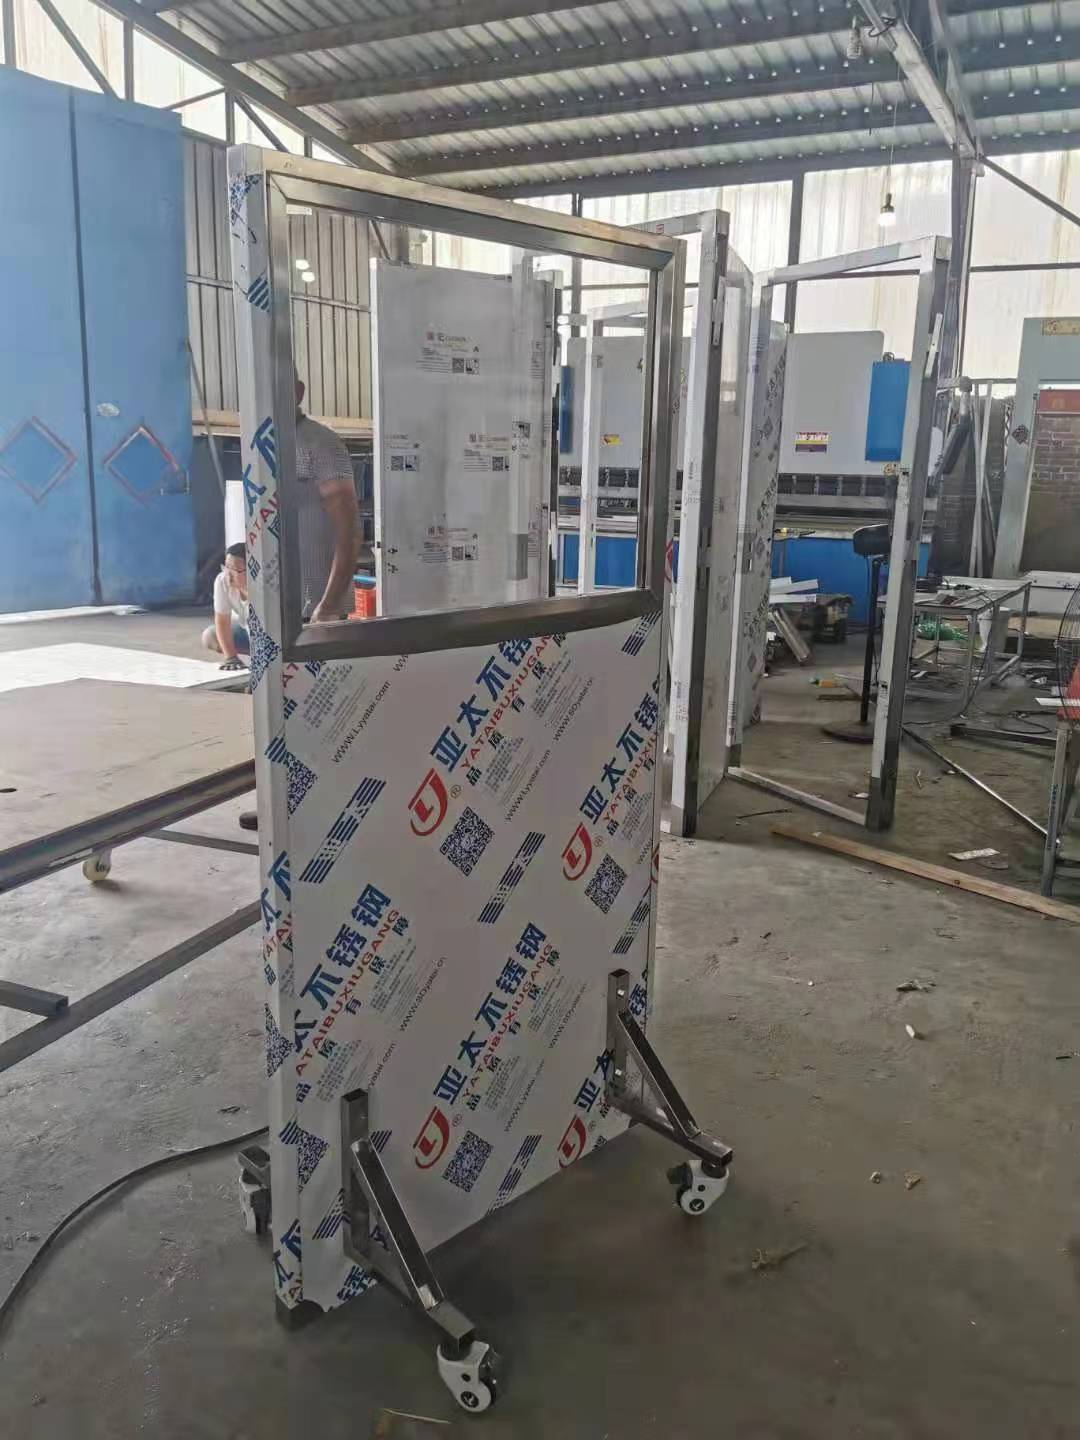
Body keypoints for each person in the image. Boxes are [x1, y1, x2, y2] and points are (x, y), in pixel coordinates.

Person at [294, 373, 360, 623]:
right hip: (273, 605)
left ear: (299, 392)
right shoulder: (260, 443)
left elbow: (350, 531)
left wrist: (328, 606)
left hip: (315, 607)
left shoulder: (321, 444)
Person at [202, 542, 249, 672]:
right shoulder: (222, 580)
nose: (228, 574)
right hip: (247, 632)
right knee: (210, 636)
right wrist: (231, 657)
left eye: (234, 570)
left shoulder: (263, 588)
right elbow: (222, 621)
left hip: (269, 637)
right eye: (227, 567)